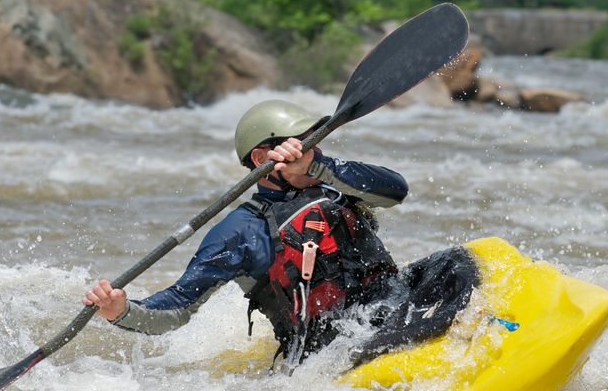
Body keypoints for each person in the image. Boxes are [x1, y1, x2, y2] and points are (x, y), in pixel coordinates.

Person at [84, 100, 478, 367]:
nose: (315, 151)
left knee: (457, 260)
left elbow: (396, 191)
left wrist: (320, 167)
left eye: (315, 142)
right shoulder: (241, 232)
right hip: (333, 347)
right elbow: (178, 307)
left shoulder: (335, 183)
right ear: (261, 157)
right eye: (304, 142)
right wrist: (121, 310)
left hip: (389, 303)